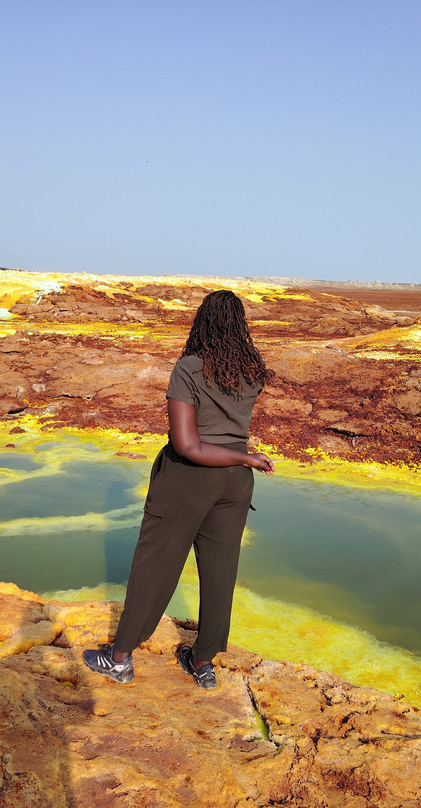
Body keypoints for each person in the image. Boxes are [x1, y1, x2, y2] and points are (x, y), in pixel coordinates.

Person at [83, 290, 275, 689]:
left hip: (189, 477)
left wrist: (245, 458)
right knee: (221, 572)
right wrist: (245, 459)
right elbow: (229, 433)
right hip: (236, 483)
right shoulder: (251, 371)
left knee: (155, 565)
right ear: (240, 325)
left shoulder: (190, 368)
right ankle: (203, 663)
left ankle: (119, 659)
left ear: (202, 322)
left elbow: (188, 446)